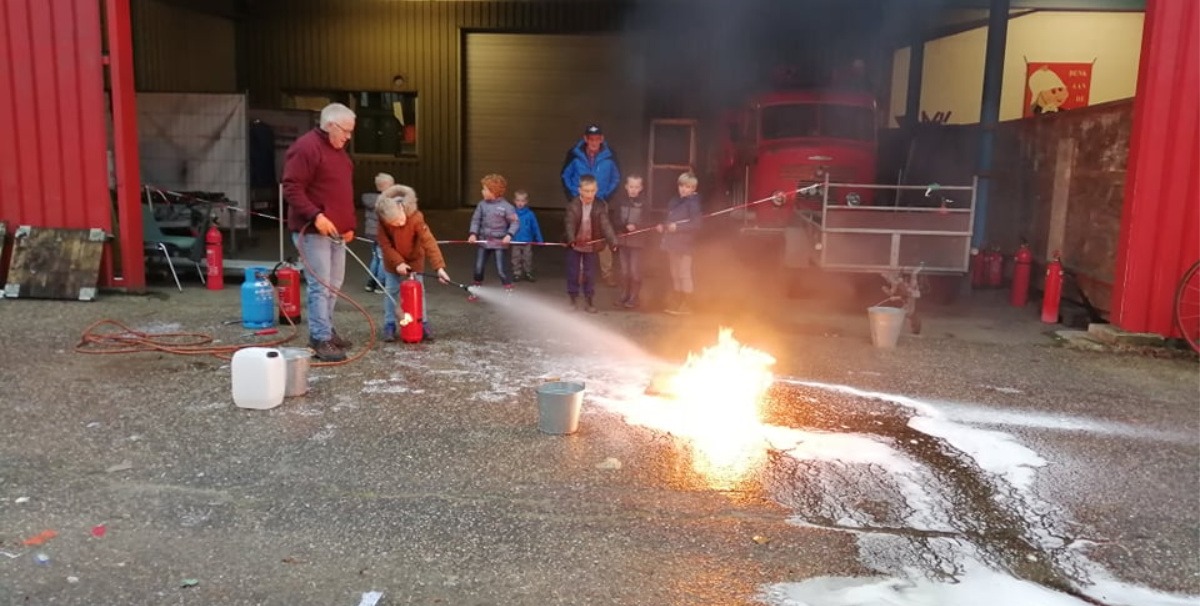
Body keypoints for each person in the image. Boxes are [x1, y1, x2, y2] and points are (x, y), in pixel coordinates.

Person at [282, 102, 358, 362]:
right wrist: (316, 215)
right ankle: (319, 337)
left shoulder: (340, 153)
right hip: (312, 232)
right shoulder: (306, 148)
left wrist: (349, 225)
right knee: (321, 285)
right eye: (346, 131)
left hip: (337, 233)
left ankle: (326, 330)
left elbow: (343, 192)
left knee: (333, 285)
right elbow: (291, 187)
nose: (348, 137)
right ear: (330, 126)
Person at [375, 185, 452, 343]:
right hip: (392, 262)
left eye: (400, 219)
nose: (399, 224)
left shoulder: (416, 217)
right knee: (391, 291)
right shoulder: (382, 221)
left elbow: (429, 241)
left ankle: (422, 322)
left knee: (419, 291)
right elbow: (385, 245)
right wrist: (398, 263)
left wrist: (439, 268)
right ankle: (389, 325)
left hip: (414, 259)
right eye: (394, 224)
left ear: (402, 207)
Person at [561, 124, 620, 287]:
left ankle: (607, 273)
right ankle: (580, 274)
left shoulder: (610, 155)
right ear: (585, 139)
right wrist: (574, 195)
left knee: (603, 235)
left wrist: (605, 195)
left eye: (597, 139)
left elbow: (616, 177)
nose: (594, 142)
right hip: (579, 201)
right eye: (591, 139)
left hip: (600, 201)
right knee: (580, 236)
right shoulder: (574, 154)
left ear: (602, 139)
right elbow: (565, 176)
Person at [563, 174, 618, 313]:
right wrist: (571, 239)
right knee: (573, 273)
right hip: (575, 245)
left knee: (590, 274)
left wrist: (613, 241)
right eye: (586, 191)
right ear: (579, 190)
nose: (589, 194)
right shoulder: (573, 205)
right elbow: (569, 224)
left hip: (591, 246)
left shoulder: (600, 205)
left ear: (596, 190)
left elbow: (606, 225)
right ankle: (573, 299)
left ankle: (589, 301)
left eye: (592, 191)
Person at [656, 171, 703, 315]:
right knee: (675, 273)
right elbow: (669, 220)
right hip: (672, 244)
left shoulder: (693, 204)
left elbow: (697, 224)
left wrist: (678, 228)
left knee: (684, 274)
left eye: (688, 187)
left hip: (685, 246)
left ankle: (687, 305)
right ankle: (677, 301)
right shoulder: (674, 201)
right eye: (682, 186)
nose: (684, 189)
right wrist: (663, 226)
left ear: (693, 189)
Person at [467, 173, 518, 300]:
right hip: (483, 241)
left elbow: (515, 222)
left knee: (501, 270)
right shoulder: (481, 205)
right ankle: (476, 289)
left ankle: (509, 291)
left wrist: (509, 235)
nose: (482, 191)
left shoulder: (507, 207)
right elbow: (476, 220)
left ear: (493, 191)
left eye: (484, 189)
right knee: (478, 268)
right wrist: (473, 234)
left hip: (499, 243)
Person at [610, 175, 650, 309]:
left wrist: (636, 227)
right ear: (626, 187)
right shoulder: (620, 201)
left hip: (637, 243)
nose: (633, 190)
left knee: (634, 271)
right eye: (631, 186)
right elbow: (615, 220)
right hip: (623, 241)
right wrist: (623, 226)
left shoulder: (644, 203)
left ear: (641, 188)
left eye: (637, 187)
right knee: (624, 271)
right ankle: (624, 294)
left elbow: (648, 222)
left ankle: (634, 297)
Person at [362, 172, 395, 292]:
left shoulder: (370, 199)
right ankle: (380, 284)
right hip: (382, 233)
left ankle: (370, 282)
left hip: (370, 232)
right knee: (383, 258)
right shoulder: (387, 202)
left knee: (376, 257)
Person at [510, 190, 544, 282]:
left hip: (527, 241)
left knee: (527, 257)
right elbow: (507, 226)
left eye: (522, 201)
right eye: (518, 200)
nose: (520, 203)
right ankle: (516, 273)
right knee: (515, 258)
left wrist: (539, 239)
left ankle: (528, 272)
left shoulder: (530, 214)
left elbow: (535, 227)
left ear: (526, 202)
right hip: (515, 240)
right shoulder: (512, 213)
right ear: (514, 201)